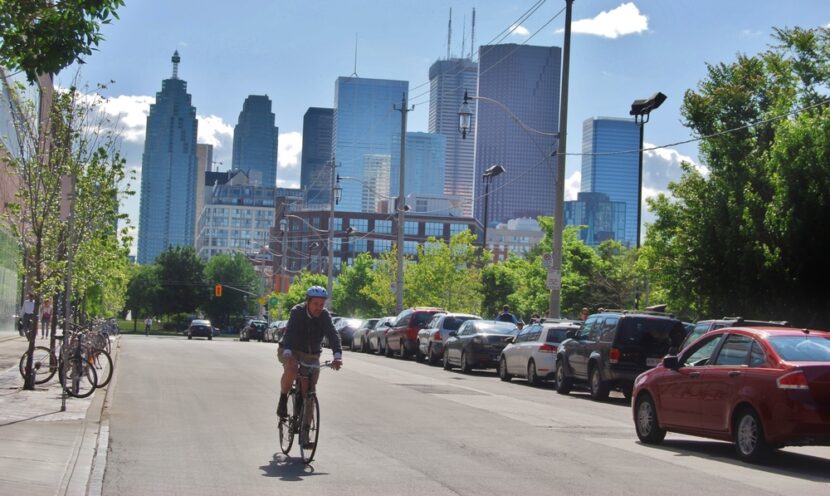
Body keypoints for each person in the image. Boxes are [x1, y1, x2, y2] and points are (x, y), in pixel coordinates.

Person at [277, 286, 343, 444]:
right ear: (308, 302)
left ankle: (305, 434)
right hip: (289, 349)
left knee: (310, 392)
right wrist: (288, 353)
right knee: (292, 369)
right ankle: (283, 399)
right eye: (316, 304)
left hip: (311, 355)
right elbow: (290, 333)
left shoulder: (324, 316)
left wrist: (337, 356)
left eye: (322, 304)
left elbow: (333, 334)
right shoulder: (297, 312)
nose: (319, 308)